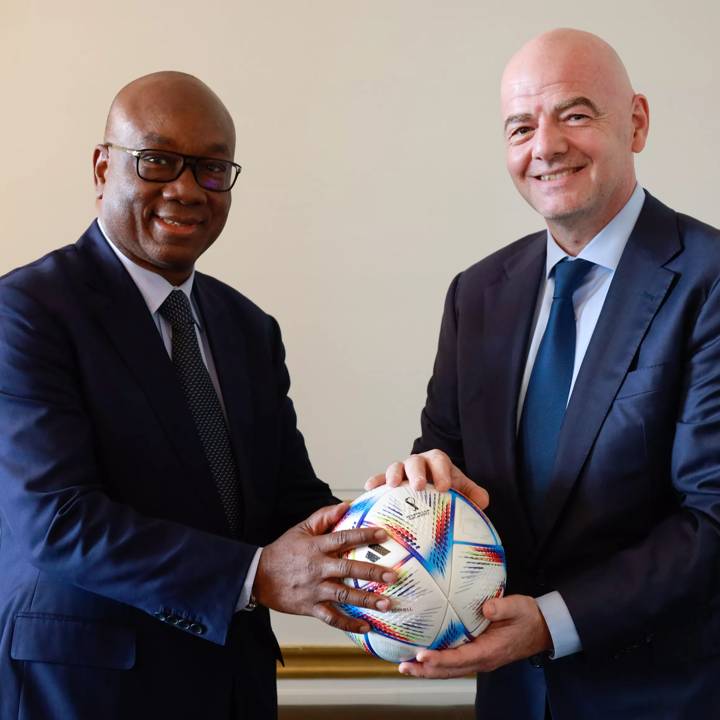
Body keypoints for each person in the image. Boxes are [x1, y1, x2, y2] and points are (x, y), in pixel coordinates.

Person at [0, 71, 417, 720]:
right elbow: (58, 522)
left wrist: (405, 531)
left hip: (233, 686)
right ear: (101, 166)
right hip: (85, 690)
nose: (187, 188)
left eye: (212, 169)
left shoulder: (248, 328)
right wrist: (256, 576)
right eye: (158, 160)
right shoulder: (26, 312)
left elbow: (286, 503)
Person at [368, 29, 720, 719]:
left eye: (575, 114)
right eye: (521, 126)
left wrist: (553, 622)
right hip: (511, 700)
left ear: (637, 121)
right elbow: (446, 462)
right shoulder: (478, 294)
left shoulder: (709, 280)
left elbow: (712, 514)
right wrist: (421, 485)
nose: (546, 146)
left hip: (668, 697)